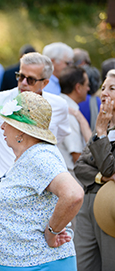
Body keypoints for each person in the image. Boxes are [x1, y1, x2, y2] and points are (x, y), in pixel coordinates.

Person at [0, 91, 84, 270]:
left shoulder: (40, 156)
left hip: (37, 262)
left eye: (7, 123)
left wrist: (51, 232)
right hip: (26, 261)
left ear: (21, 130)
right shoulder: (30, 155)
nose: (2, 128)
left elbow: (73, 194)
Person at [0, 52, 70, 186]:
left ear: (45, 83)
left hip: (40, 182)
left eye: (30, 79)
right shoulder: (0, 99)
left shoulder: (59, 105)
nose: (24, 83)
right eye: (20, 77)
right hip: (6, 179)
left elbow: (61, 134)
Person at [74, 69, 115, 271]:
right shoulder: (104, 125)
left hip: (110, 209)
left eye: (112, 88)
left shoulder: (101, 127)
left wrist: (100, 132)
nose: (104, 93)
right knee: (82, 265)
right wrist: (101, 177)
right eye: (103, 88)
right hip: (86, 206)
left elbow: (109, 167)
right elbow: (80, 167)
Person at [58, 66, 91, 174]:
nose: (88, 89)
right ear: (78, 87)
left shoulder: (60, 105)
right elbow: (77, 156)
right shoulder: (68, 114)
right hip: (71, 177)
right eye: (87, 85)